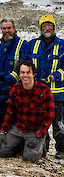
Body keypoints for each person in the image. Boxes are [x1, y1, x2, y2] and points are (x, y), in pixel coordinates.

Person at [0, 60, 54, 163]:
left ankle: (42, 144)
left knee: (30, 158)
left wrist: (39, 135)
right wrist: (3, 131)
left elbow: (49, 116)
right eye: (22, 72)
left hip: (34, 130)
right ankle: (20, 145)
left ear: (34, 74)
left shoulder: (44, 91)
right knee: (1, 152)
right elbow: (10, 113)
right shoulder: (15, 90)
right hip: (18, 128)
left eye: (28, 72)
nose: (25, 75)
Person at [26, 14, 64, 159]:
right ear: (40, 28)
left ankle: (61, 150)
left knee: (59, 124)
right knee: (40, 123)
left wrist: (56, 75)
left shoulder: (62, 45)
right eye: (44, 26)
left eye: (50, 26)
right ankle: (43, 149)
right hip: (38, 93)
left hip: (58, 94)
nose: (47, 29)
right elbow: (26, 64)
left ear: (54, 28)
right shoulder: (32, 44)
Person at [0, 19, 27, 86]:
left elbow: (23, 65)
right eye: (4, 28)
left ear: (14, 29)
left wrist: (8, 79)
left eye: (9, 28)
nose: (6, 31)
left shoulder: (23, 44)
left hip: (15, 85)